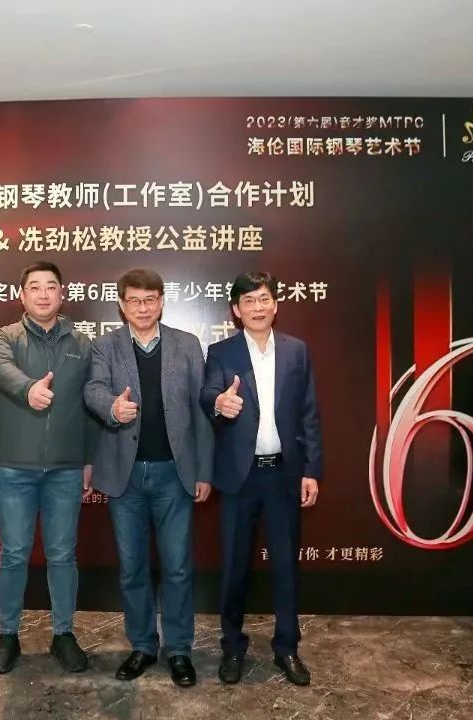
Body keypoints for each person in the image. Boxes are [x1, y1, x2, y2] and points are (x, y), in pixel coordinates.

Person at [84, 268, 213, 688]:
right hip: (125, 476)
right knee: (132, 568)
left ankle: (179, 650)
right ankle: (142, 645)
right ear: (121, 305)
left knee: (178, 568)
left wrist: (203, 470)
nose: (143, 308)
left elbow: (201, 411)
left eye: (150, 299)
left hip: (175, 474)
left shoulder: (187, 344)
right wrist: (112, 407)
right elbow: (92, 389)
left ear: (161, 302)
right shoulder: (105, 345)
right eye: (134, 301)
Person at [200, 270, 323, 687]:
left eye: (264, 298)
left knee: (286, 566)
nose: (257, 307)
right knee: (235, 567)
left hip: (284, 475)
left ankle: (287, 647)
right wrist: (220, 402)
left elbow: (309, 414)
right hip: (240, 477)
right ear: (236, 310)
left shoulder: (297, 351)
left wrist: (311, 470)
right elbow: (207, 394)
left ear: (275, 304)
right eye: (248, 301)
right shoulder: (221, 352)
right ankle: (232, 647)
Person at [0, 261, 98, 675]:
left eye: (51, 286)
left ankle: (63, 633)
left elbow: (90, 404)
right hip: (15, 467)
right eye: (35, 287)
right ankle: (7, 635)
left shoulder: (83, 344)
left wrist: (88, 459)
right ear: (23, 295)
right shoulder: (3, 337)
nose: (44, 294)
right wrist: (28, 388)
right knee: (13, 553)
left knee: (63, 554)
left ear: (62, 294)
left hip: (66, 469)